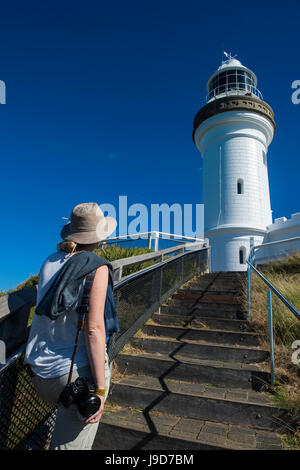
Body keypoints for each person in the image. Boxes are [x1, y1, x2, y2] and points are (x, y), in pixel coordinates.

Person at [24, 202, 119, 450]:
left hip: (40, 371)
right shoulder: (96, 267)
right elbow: (94, 329)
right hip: (74, 375)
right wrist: (100, 388)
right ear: (98, 236)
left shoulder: (49, 262)